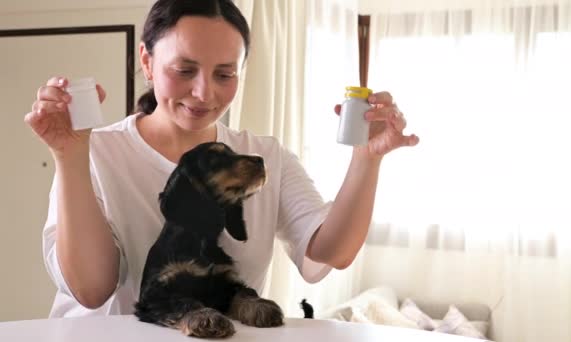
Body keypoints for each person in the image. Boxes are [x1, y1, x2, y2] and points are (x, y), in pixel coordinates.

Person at [24, 0, 419, 318]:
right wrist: (69, 154)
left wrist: (367, 160)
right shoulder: (96, 153)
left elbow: (332, 251)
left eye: (224, 75)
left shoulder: (263, 157)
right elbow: (92, 291)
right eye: (184, 69)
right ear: (146, 61)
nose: (203, 93)